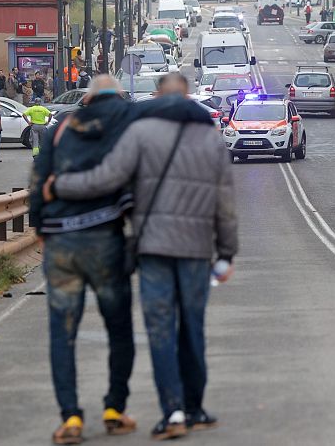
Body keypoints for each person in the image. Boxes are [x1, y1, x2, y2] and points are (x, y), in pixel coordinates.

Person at [30, 75, 222, 444]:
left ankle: (70, 418)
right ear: (117, 95)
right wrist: (200, 113)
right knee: (119, 328)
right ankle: (114, 408)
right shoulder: (127, 116)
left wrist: (40, 224)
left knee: (62, 332)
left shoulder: (61, 127)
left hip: (61, 242)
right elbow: (170, 105)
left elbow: (40, 177)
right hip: (105, 238)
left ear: (86, 97)